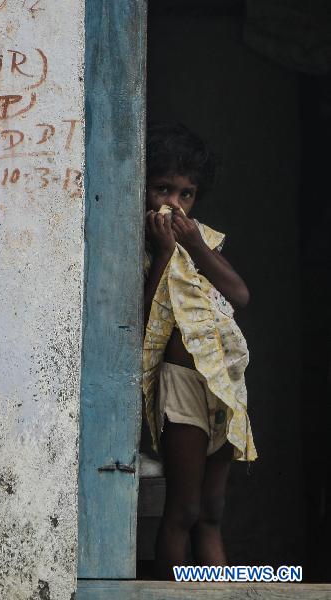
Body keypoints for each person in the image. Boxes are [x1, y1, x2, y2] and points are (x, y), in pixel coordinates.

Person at [141, 123, 257, 580]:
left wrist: (191, 244)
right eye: (162, 189)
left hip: (223, 385)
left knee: (212, 510)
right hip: (182, 386)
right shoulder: (145, 246)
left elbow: (240, 294)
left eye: (186, 194)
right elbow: (145, 317)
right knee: (183, 509)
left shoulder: (202, 241)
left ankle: (218, 592)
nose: (173, 203)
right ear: (144, 190)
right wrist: (167, 251)